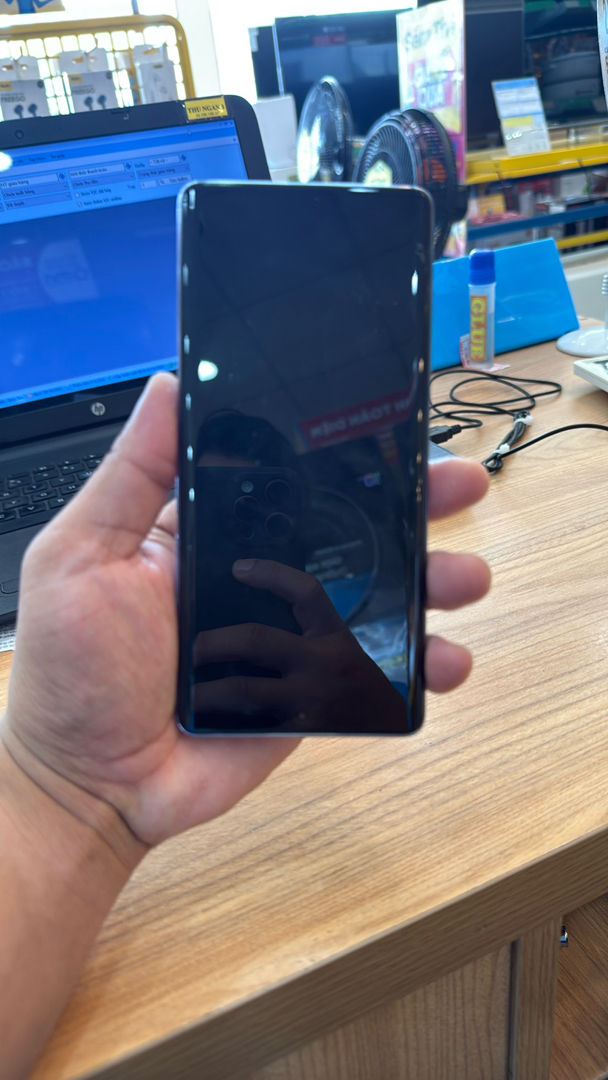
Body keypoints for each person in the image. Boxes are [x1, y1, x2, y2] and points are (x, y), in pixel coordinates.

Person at [0, 372, 491, 1079]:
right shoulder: (138, 608)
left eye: (267, 498)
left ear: (301, 514)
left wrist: (65, 797)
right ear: (181, 510)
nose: (246, 519)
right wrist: (67, 784)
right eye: (223, 503)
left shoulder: (339, 603)